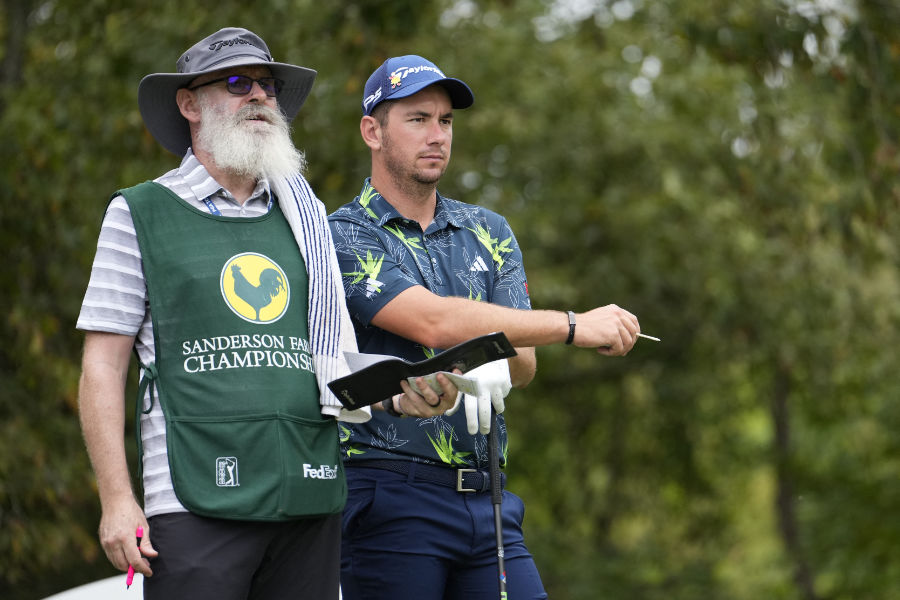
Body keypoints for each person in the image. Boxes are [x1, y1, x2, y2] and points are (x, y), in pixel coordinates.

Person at [76, 30, 457, 600]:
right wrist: (116, 500)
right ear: (189, 104)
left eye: (267, 85)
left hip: (308, 493)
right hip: (192, 500)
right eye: (236, 82)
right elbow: (102, 368)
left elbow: (329, 361)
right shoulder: (139, 213)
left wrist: (402, 394)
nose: (258, 95)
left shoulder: (305, 218)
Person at [328, 55, 644, 600]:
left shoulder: (488, 231)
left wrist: (496, 363)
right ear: (372, 132)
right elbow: (432, 320)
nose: (437, 136)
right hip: (388, 492)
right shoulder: (342, 234)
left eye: (445, 122)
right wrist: (572, 325)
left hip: (486, 497)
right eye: (418, 119)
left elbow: (524, 365)